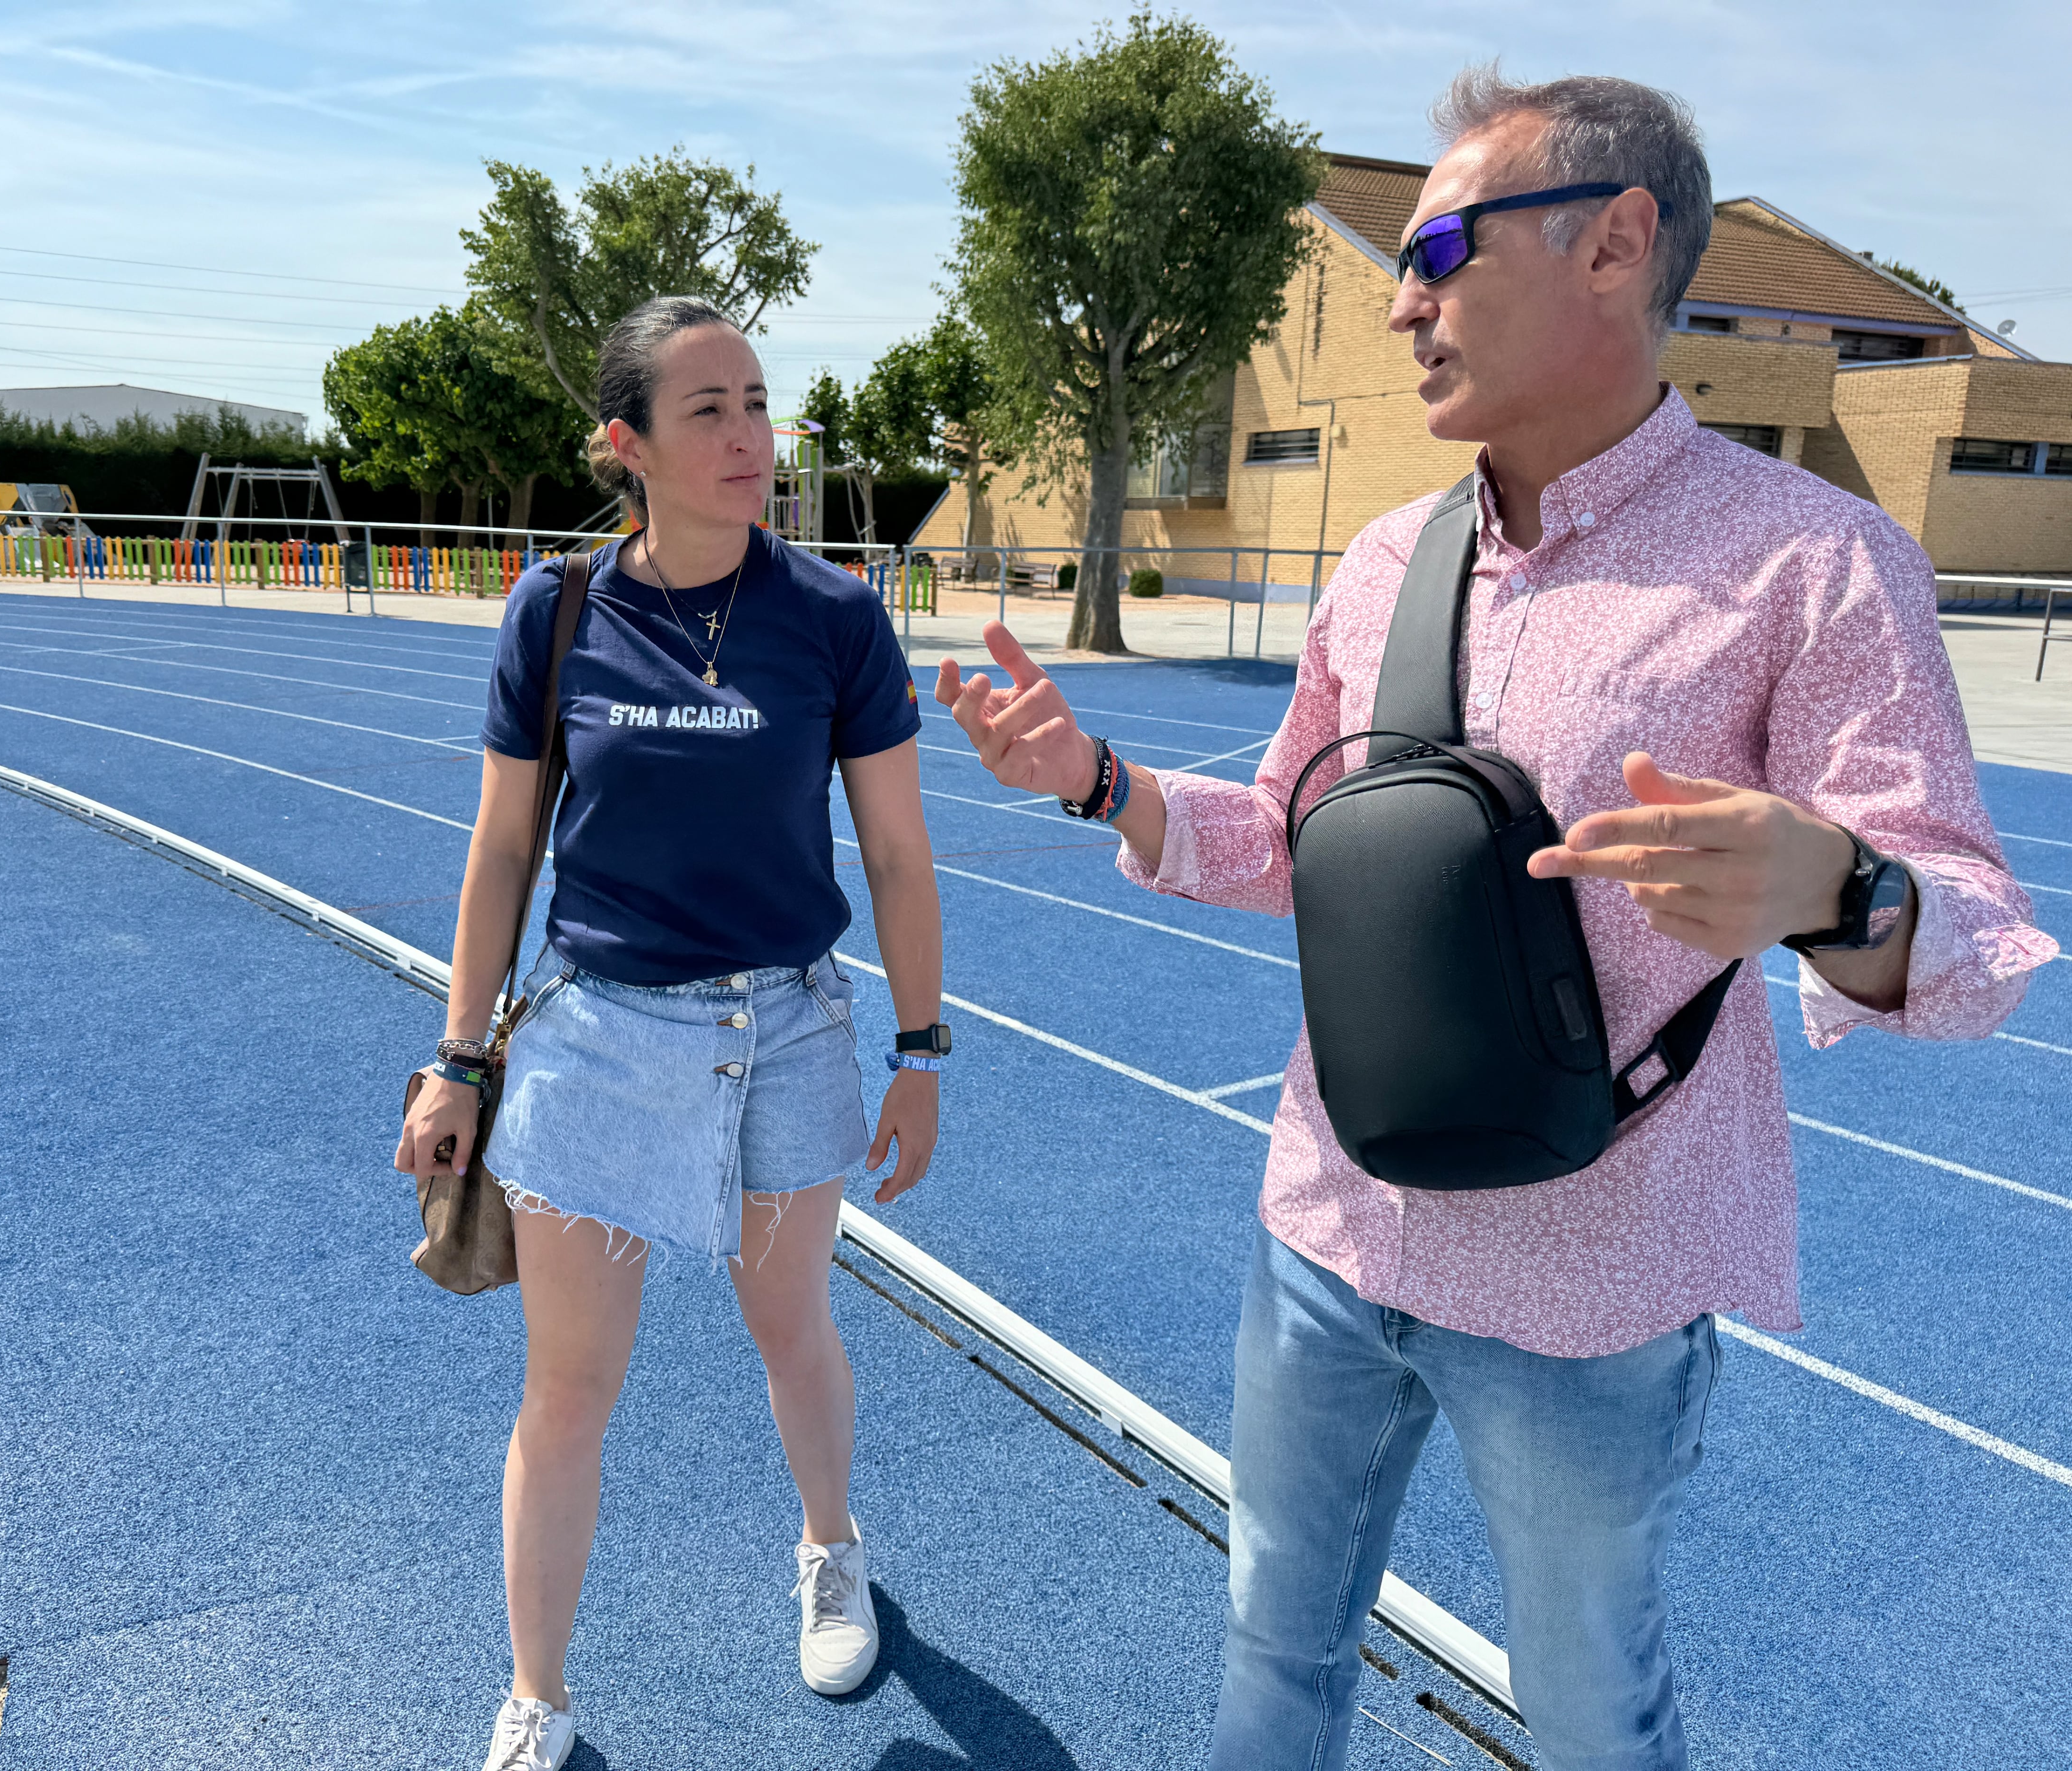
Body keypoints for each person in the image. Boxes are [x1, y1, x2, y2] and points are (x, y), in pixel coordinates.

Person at [937, 67, 2055, 1771]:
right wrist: (1099, 780)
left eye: (1442, 248)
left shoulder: (1812, 566)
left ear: (1615, 245)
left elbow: (1975, 939)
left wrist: (1840, 888)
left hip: (1591, 1291)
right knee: (1270, 1659)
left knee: (1596, 1718)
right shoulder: (1386, 561)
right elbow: (1304, 836)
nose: (1401, 301)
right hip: (1329, 1229)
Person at [396, 296, 948, 1771]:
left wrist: (923, 1051)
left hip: (786, 1032)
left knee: (792, 1328)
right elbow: (503, 851)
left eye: (759, 404)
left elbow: (896, 855)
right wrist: (457, 1056)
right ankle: (537, 1697)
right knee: (569, 1386)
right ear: (624, 443)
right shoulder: (557, 611)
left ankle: (831, 1549)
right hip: (600, 1043)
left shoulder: (834, 617)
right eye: (707, 411)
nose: (750, 438)